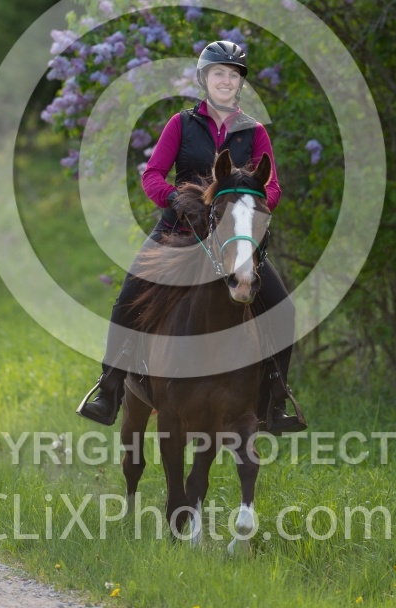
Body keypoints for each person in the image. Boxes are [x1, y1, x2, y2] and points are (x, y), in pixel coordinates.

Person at [77, 40, 307, 433]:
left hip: (233, 238)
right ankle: (109, 388)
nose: (226, 80)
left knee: (283, 310)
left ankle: (275, 401)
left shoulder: (254, 131)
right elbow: (153, 174)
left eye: (233, 75)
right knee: (128, 296)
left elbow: (272, 186)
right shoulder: (181, 124)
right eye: (219, 73)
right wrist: (175, 199)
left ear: (240, 83)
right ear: (204, 79)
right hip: (178, 230)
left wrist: (251, 206)